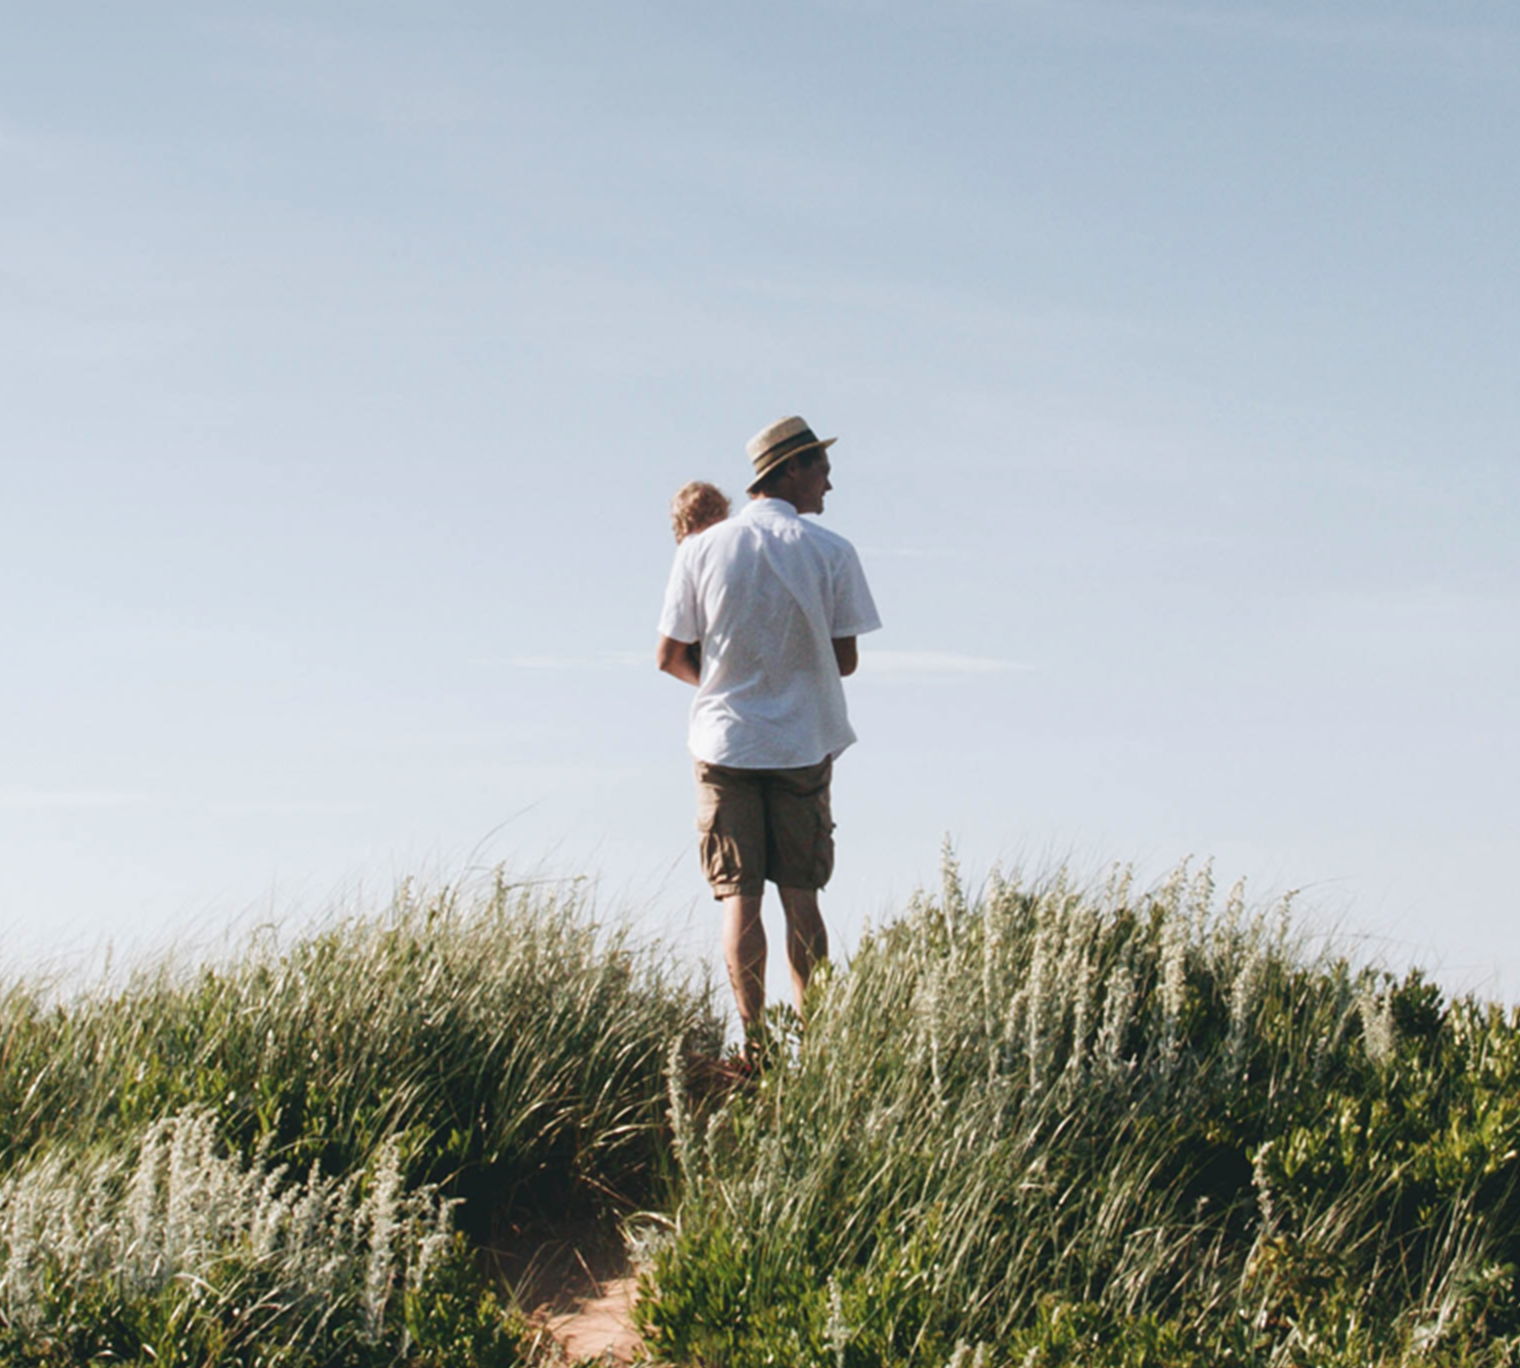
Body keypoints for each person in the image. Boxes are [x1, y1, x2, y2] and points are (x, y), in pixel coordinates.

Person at [656, 416, 881, 1041]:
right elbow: (845, 660)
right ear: (791, 469)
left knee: (739, 898)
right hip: (802, 744)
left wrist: (729, 680)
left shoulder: (701, 549)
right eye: (822, 470)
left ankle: (753, 1040)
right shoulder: (832, 552)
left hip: (726, 741)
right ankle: (818, 1044)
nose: (828, 486)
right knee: (803, 898)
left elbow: (670, 655)